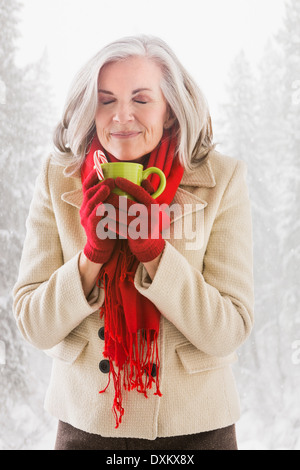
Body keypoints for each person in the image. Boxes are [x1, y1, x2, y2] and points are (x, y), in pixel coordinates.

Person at [13, 35, 254, 451]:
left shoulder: (223, 179)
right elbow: (34, 324)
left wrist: (156, 255)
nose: (121, 116)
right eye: (106, 100)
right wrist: (90, 258)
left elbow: (229, 330)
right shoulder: (58, 177)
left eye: (141, 99)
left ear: (171, 111)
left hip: (198, 431)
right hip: (84, 427)